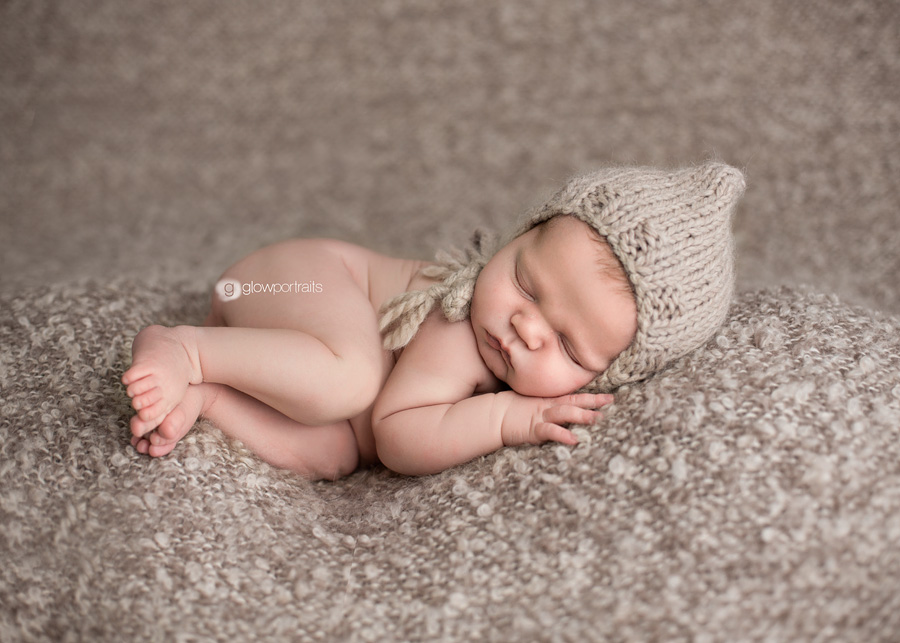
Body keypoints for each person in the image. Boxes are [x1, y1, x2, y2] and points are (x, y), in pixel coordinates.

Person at [121, 162, 745, 479]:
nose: (525, 329)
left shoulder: (505, 335)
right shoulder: (458, 321)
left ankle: (209, 396)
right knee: (353, 380)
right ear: (515, 236)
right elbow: (397, 437)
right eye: (525, 284)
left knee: (337, 452)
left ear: (611, 375)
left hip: (276, 336)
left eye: (568, 347)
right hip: (282, 278)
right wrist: (504, 417)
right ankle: (187, 349)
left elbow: (370, 443)